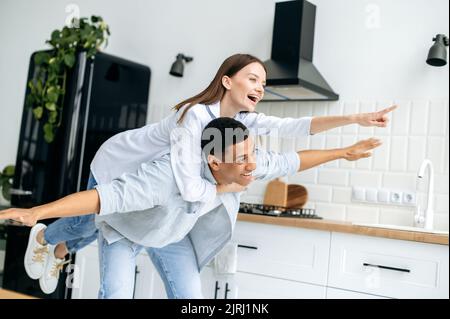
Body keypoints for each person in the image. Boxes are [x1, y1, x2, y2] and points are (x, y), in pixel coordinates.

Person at [13, 53, 396, 294]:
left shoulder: (240, 124)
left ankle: (59, 247)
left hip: (162, 207)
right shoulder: (193, 117)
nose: (260, 87)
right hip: (121, 169)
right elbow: (190, 186)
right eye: (252, 78)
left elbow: (292, 134)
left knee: (98, 227)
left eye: (264, 82)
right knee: (90, 222)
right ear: (227, 80)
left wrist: (355, 123)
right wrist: (229, 184)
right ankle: (48, 237)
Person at [1, 117, 382, 298]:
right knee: (106, 270)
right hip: (127, 228)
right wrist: (39, 212)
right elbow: (104, 198)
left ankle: (62, 245)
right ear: (213, 162)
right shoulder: (167, 175)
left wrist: (344, 152)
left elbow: (291, 160)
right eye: (243, 158)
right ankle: (50, 238)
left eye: (253, 154)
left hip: (172, 233)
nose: (253, 164)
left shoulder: (244, 160)